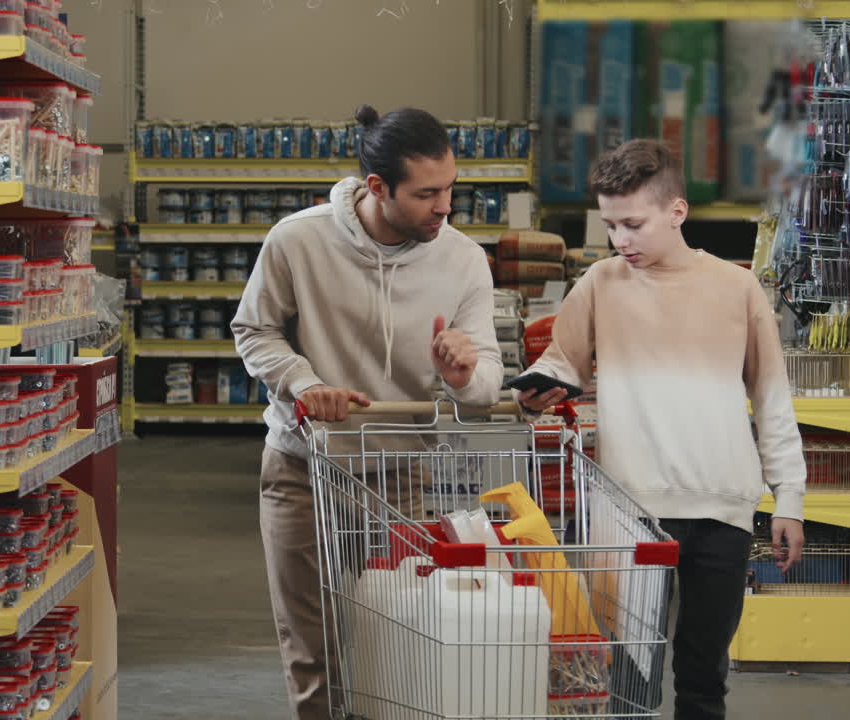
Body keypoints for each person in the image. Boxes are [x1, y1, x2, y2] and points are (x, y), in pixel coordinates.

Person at [231, 104, 503, 720]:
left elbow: (487, 381)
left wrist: (464, 375)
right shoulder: (297, 240)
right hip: (303, 471)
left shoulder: (463, 260)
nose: (445, 208)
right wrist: (304, 383)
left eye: (450, 189)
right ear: (378, 188)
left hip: (399, 477)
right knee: (312, 646)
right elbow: (254, 331)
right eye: (426, 194)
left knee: (398, 640)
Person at [518, 138, 805, 720]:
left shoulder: (736, 288)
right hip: (628, 512)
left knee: (703, 675)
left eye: (633, 224)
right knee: (626, 680)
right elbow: (560, 365)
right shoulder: (599, 283)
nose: (620, 240)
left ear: (677, 211)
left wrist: (790, 498)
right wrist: (534, 395)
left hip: (723, 508)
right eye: (610, 226)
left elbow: (772, 398)